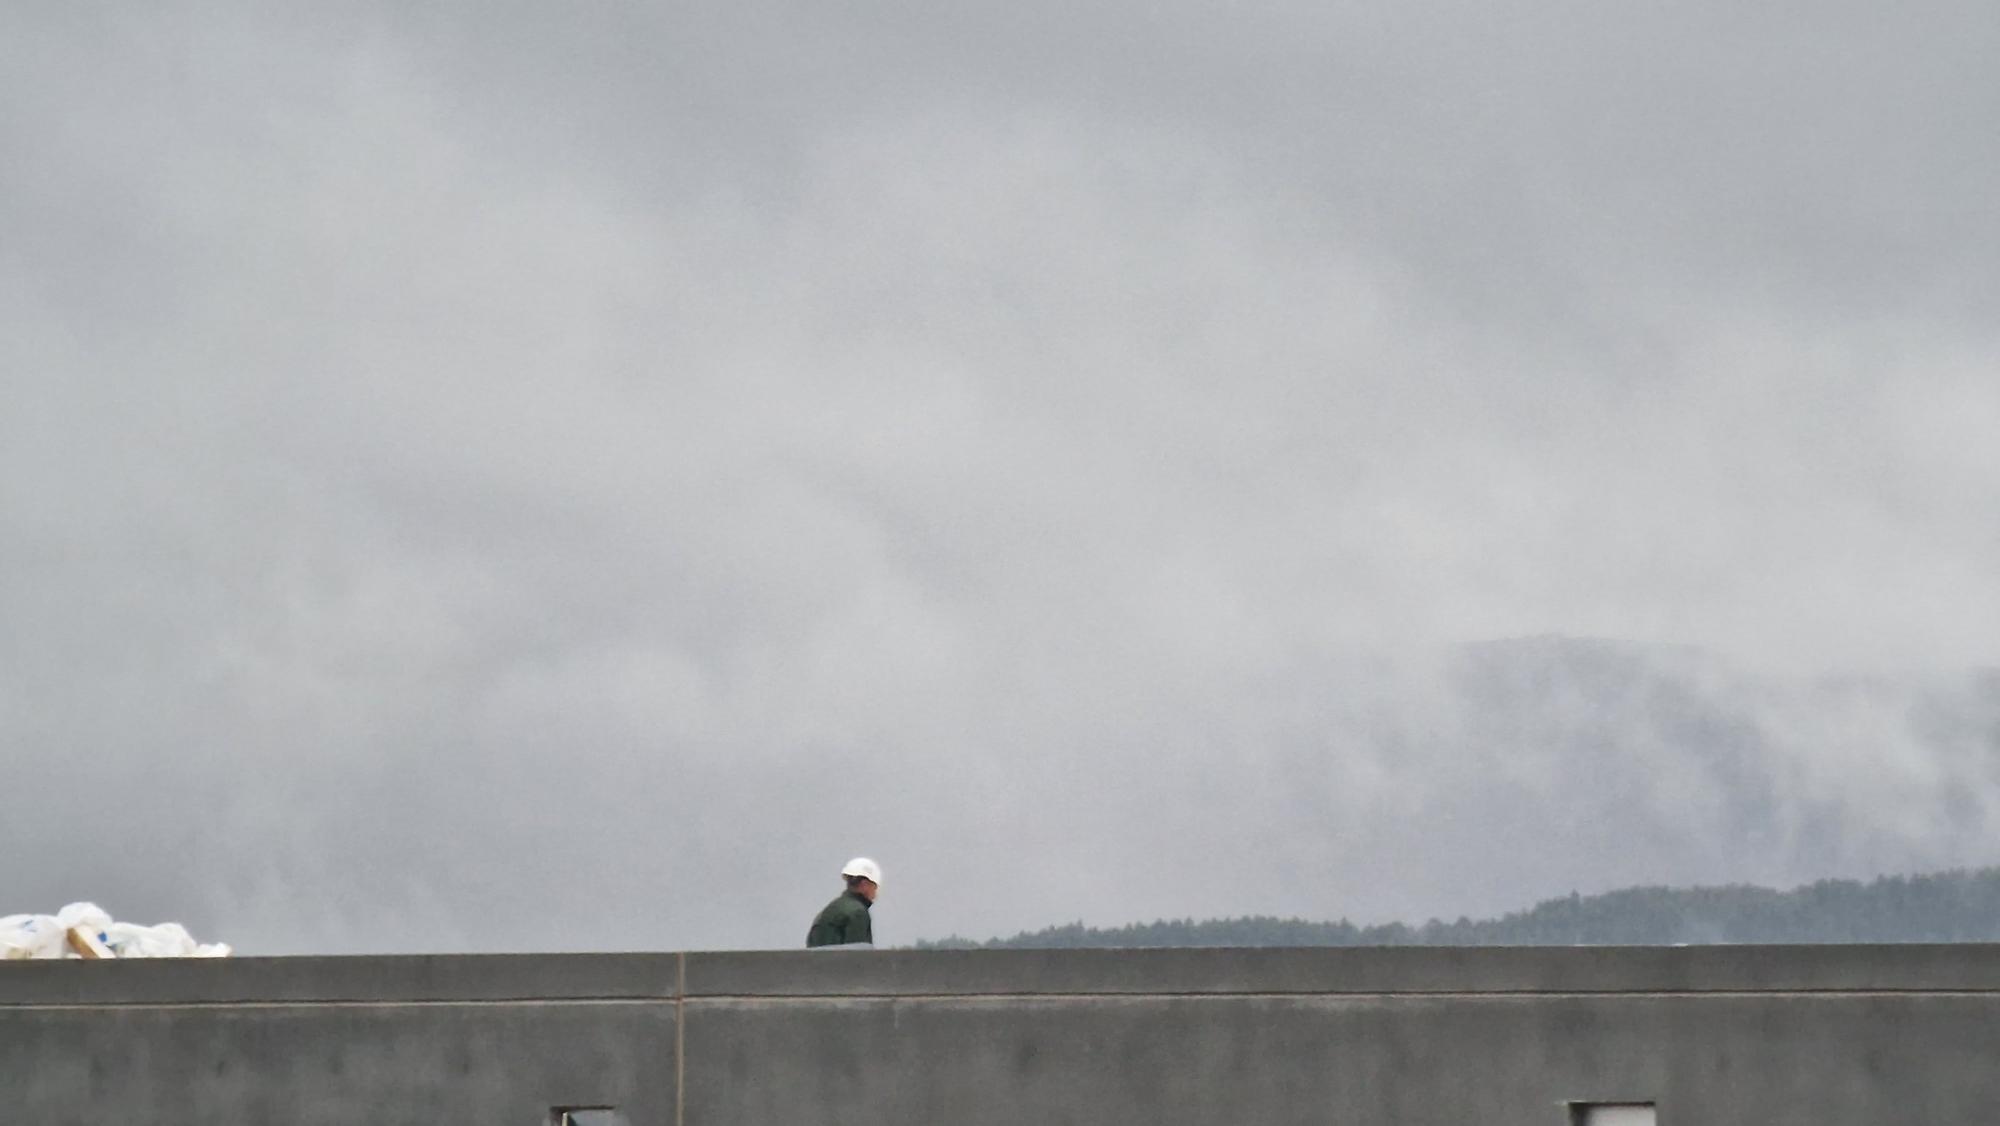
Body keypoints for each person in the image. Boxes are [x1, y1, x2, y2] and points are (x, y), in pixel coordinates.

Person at [806, 857, 880, 947]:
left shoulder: (830, 909)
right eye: (874, 887)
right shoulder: (858, 913)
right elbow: (858, 956)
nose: (875, 893)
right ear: (864, 884)